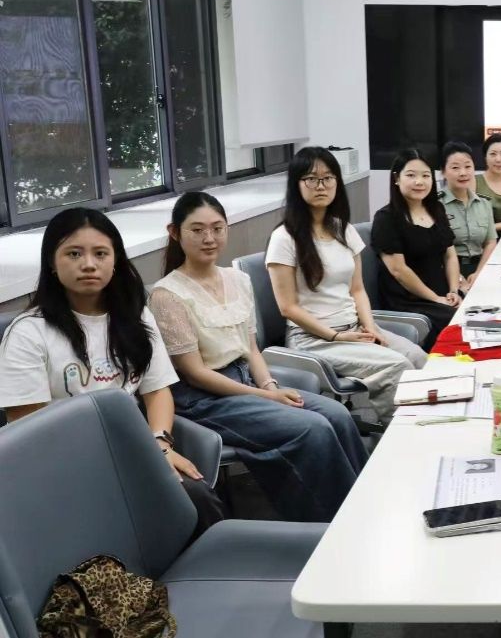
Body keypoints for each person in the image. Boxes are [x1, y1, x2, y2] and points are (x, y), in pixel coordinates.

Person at [0, 208, 223, 533]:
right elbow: (28, 429)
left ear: (115, 260)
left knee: (194, 498)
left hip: (131, 449)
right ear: (52, 262)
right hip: (61, 465)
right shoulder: (29, 333)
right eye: (74, 254)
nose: (89, 264)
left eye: (101, 253)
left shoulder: (136, 317)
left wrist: (160, 445)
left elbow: (157, 391)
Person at [151, 192, 366, 522]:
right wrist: (267, 397)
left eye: (217, 228)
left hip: (247, 382)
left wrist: (269, 385)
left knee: (336, 414)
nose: (209, 238)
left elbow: (250, 348)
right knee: (312, 429)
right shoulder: (167, 294)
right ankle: (335, 525)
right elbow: (195, 373)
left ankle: (364, 503)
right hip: (204, 399)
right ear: (175, 233)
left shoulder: (237, 279)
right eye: (197, 230)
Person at [266, 147, 427, 422]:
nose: (321, 186)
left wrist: (369, 326)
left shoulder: (344, 229)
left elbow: (357, 289)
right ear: (296, 184)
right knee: (397, 366)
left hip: (354, 329)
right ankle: (402, 435)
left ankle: (432, 426)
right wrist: (335, 336)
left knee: (420, 359)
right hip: (314, 339)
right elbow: (288, 308)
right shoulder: (284, 238)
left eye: (328, 178)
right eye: (311, 179)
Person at [371, 149, 460, 349]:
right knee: (457, 322)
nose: (419, 182)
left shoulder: (437, 209)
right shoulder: (386, 218)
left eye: (426, 176)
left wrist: (453, 290)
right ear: (396, 178)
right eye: (411, 175)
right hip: (408, 300)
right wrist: (436, 299)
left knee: (479, 309)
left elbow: (450, 255)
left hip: (441, 293)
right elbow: (399, 270)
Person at [439, 141, 498, 290]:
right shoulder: (436, 205)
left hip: (480, 268)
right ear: (443, 171)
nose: (463, 173)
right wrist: (458, 278)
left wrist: (479, 273)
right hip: (446, 272)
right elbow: (435, 251)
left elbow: (490, 242)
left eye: (468, 166)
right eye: (455, 168)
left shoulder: (484, 203)